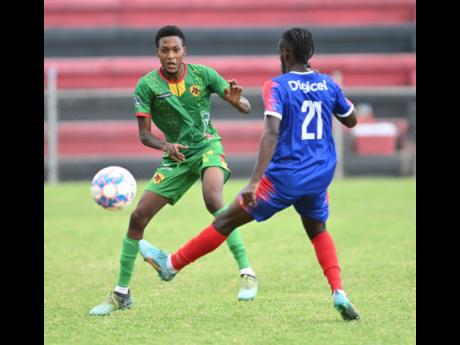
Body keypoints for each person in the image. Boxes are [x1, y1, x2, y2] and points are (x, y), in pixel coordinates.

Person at [138, 27, 360, 321]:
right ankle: (338, 291)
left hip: (283, 179)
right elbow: (351, 120)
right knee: (318, 229)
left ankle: (171, 266)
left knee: (225, 220)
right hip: (319, 176)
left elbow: (271, 132)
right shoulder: (328, 84)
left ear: (285, 53)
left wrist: (254, 182)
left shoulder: (277, 86)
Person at [89, 25, 258, 316]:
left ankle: (247, 272)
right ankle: (121, 294)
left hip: (207, 147)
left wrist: (236, 101)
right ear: (157, 52)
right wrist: (165, 147)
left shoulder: (203, 75)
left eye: (175, 49)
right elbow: (144, 134)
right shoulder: (146, 86)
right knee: (138, 217)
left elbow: (246, 106)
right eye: (165, 50)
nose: (170, 55)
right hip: (176, 156)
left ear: (184, 51)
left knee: (213, 199)